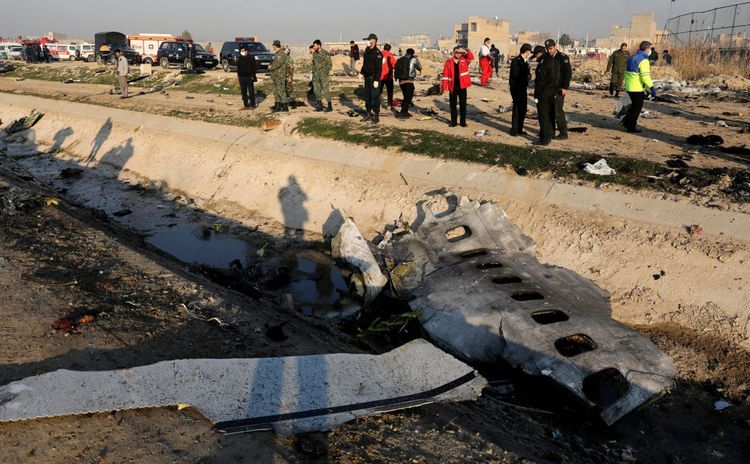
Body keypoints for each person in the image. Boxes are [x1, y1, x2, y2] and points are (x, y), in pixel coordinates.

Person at [533, 39, 571, 145]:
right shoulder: (546, 57)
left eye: (551, 48)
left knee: (557, 110)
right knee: (550, 111)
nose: (549, 51)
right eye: (547, 49)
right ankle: (550, 132)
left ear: (555, 47)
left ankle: (563, 132)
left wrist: (565, 87)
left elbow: (567, 73)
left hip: (559, 89)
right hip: (549, 89)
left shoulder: (562, 57)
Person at [623, 41, 656, 134]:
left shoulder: (631, 58)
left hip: (629, 87)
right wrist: (651, 87)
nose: (650, 51)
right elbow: (645, 76)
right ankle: (631, 127)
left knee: (631, 107)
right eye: (650, 49)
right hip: (637, 88)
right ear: (646, 49)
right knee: (636, 109)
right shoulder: (644, 60)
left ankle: (626, 123)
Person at [441, 46, 474, 127]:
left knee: (463, 105)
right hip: (452, 86)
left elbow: (471, 57)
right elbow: (445, 75)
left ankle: (463, 122)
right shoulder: (448, 62)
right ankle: (453, 122)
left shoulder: (464, 60)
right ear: (453, 52)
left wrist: (466, 51)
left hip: (462, 86)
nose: (458, 54)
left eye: (460, 53)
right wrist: (444, 87)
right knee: (453, 105)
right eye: (457, 52)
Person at [509, 43, 533, 136]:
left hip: (523, 87)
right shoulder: (517, 60)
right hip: (516, 87)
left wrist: (529, 76)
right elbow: (515, 74)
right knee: (517, 109)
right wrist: (526, 76)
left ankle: (520, 128)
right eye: (529, 52)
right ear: (526, 52)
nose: (530, 54)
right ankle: (514, 130)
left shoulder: (525, 61)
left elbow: (526, 72)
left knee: (523, 108)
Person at [360, 33, 383, 124]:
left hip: (374, 79)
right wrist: (362, 72)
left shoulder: (377, 53)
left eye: (369, 40)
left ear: (374, 41)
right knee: (367, 97)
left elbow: (379, 68)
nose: (368, 42)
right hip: (367, 78)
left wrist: (377, 80)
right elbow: (365, 63)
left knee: (375, 97)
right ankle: (369, 114)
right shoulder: (367, 50)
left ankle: (376, 115)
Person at [395, 48, 421, 119]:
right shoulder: (414, 59)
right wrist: (417, 59)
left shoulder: (400, 59)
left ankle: (405, 111)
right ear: (413, 53)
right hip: (408, 81)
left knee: (406, 97)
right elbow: (420, 67)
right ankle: (402, 112)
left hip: (401, 81)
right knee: (408, 97)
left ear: (406, 52)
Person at [269, 40, 292, 112]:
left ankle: (285, 107)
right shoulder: (277, 53)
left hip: (280, 76)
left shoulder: (280, 54)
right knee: (276, 91)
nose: (273, 47)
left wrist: (271, 67)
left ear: (274, 46)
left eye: (273, 46)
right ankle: (277, 106)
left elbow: (278, 64)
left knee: (281, 91)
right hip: (276, 75)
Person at [311, 39, 333, 112]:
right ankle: (319, 105)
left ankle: (329, 106)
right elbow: (313, 64)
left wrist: (325, 72)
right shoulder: (314, 54)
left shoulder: (325, 53)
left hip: (323, 75)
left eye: (315, 46)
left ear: (319, 45)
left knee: (325, 90)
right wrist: (313, 72)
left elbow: (329, 64)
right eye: (313, 46)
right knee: (316, 90)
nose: (314, 47)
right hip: (316, 75)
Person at [380, 44, 397, 110]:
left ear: (384, 48)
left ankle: (377, 103)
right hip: (388, 76)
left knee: (379, 91)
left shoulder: (379, 54)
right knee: (389, 92)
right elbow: (394, 65)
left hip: (380, 76)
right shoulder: (390, 55)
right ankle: (389, 105)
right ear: (389, 49)